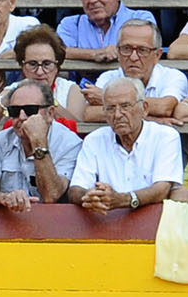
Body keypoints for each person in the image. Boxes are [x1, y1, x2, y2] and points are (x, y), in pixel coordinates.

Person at [66, 77, 180, 214]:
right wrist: (90, 197)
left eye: (125, 106)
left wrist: (123, 200)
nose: (117, 115)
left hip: (153, 220)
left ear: (144, 109)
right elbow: (75, 189)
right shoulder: (94, 140)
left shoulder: (165, 136)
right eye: (110, 108)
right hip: (104, 219)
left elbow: (162, 190)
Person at [0, 79, 79, 210]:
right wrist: (4, 198)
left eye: (30, 110)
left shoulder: (70, 143)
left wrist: (39, 142)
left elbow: (51, 195)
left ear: (50, 113)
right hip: (10, 217)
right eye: (14, 111)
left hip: (54, 220)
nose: (22, 117)